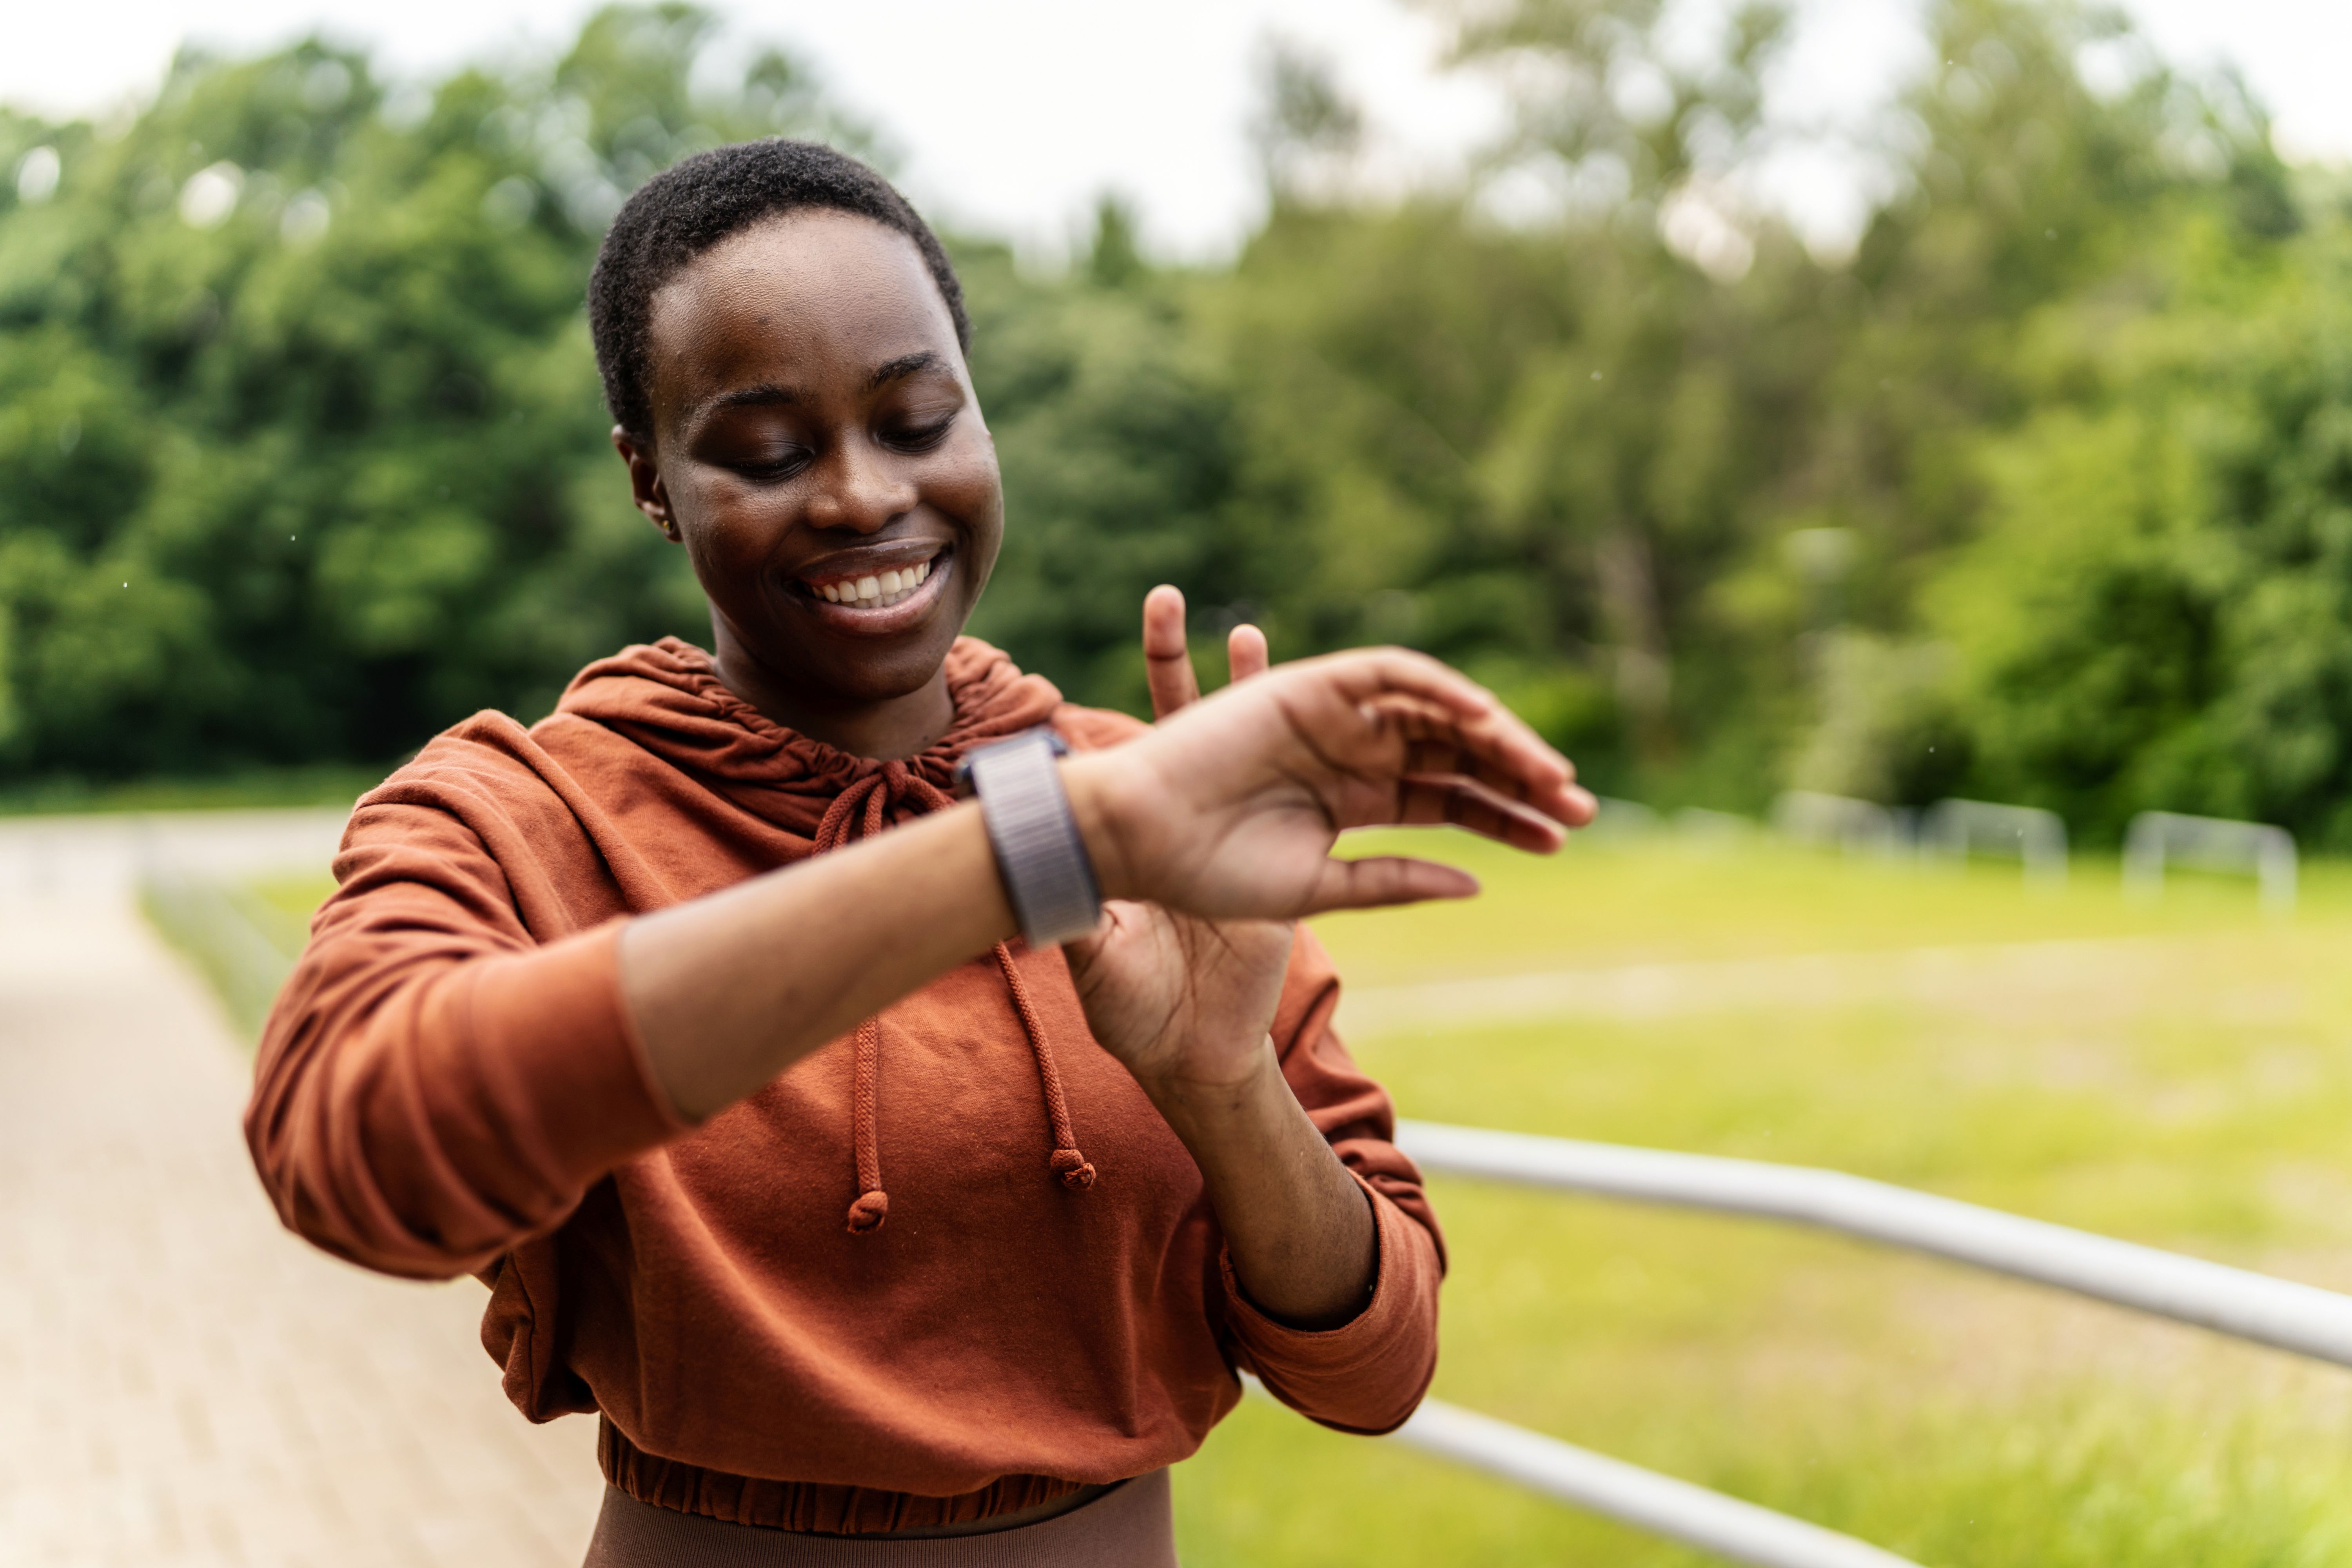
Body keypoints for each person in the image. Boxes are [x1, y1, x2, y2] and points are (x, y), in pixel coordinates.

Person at [245, 139, 1593, 1567]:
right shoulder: (522, 814)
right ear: (650, 480)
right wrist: (1023, 856)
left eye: (917, 419)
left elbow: (1376, 1370)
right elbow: (351, 1150)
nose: (859, 496)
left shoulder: (1145, 809)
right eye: (765, 452)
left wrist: (1224, 1082)